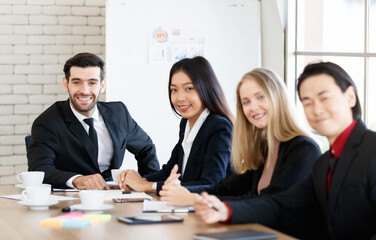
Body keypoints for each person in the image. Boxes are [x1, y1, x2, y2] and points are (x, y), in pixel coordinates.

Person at [195, 62, 376, 240]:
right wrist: (225, 210)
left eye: (324, 98)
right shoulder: (324, 164)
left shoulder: (371, 150)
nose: (317, 110)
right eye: (307, 102)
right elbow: (282, 205)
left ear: (350, 96)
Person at [159, 68, 321, 207]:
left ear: (278, 98)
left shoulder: (304, 149)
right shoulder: (264, 149)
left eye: (260, 97)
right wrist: (182, 192)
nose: (253, 107)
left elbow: (269, 204)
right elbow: (222, 189)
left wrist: (195, 199)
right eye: (246, 102)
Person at [28, 52, 160, 190]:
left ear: (102, 85)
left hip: (112, 193)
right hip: (70, 197)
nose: (84, 91)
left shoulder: (118, 113)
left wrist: (147, 185)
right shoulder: (47, 122)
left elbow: (146, 148)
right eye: (77, 82)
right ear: (66, 84)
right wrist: (76, 180)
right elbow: (39, 168)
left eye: (92, 83)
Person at [118, 56, 234, 194]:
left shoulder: (219, 127)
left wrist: (147, 186)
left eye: (189, 88)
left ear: (206, 88)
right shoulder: (186, 123)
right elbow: (170, 171)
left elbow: (211, 184)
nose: (180, 98)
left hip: (213, 210)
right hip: (186, 207)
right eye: (174, 90)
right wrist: (138, 180)